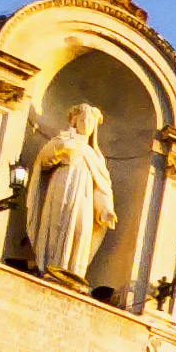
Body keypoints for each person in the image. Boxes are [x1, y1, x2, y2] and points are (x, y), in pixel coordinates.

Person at [28, 104, 117, 285]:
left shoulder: (95, 156)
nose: (86, 123)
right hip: (62, 186)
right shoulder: (62, 140)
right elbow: (44, 162)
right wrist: (63, 148)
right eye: (83, 119)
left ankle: (74, 274)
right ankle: (51, 268)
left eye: (90, 121)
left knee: (82, 229)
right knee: (59, 224)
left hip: (84, 196)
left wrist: (106, 209)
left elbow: (101, 187)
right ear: (75, 121)